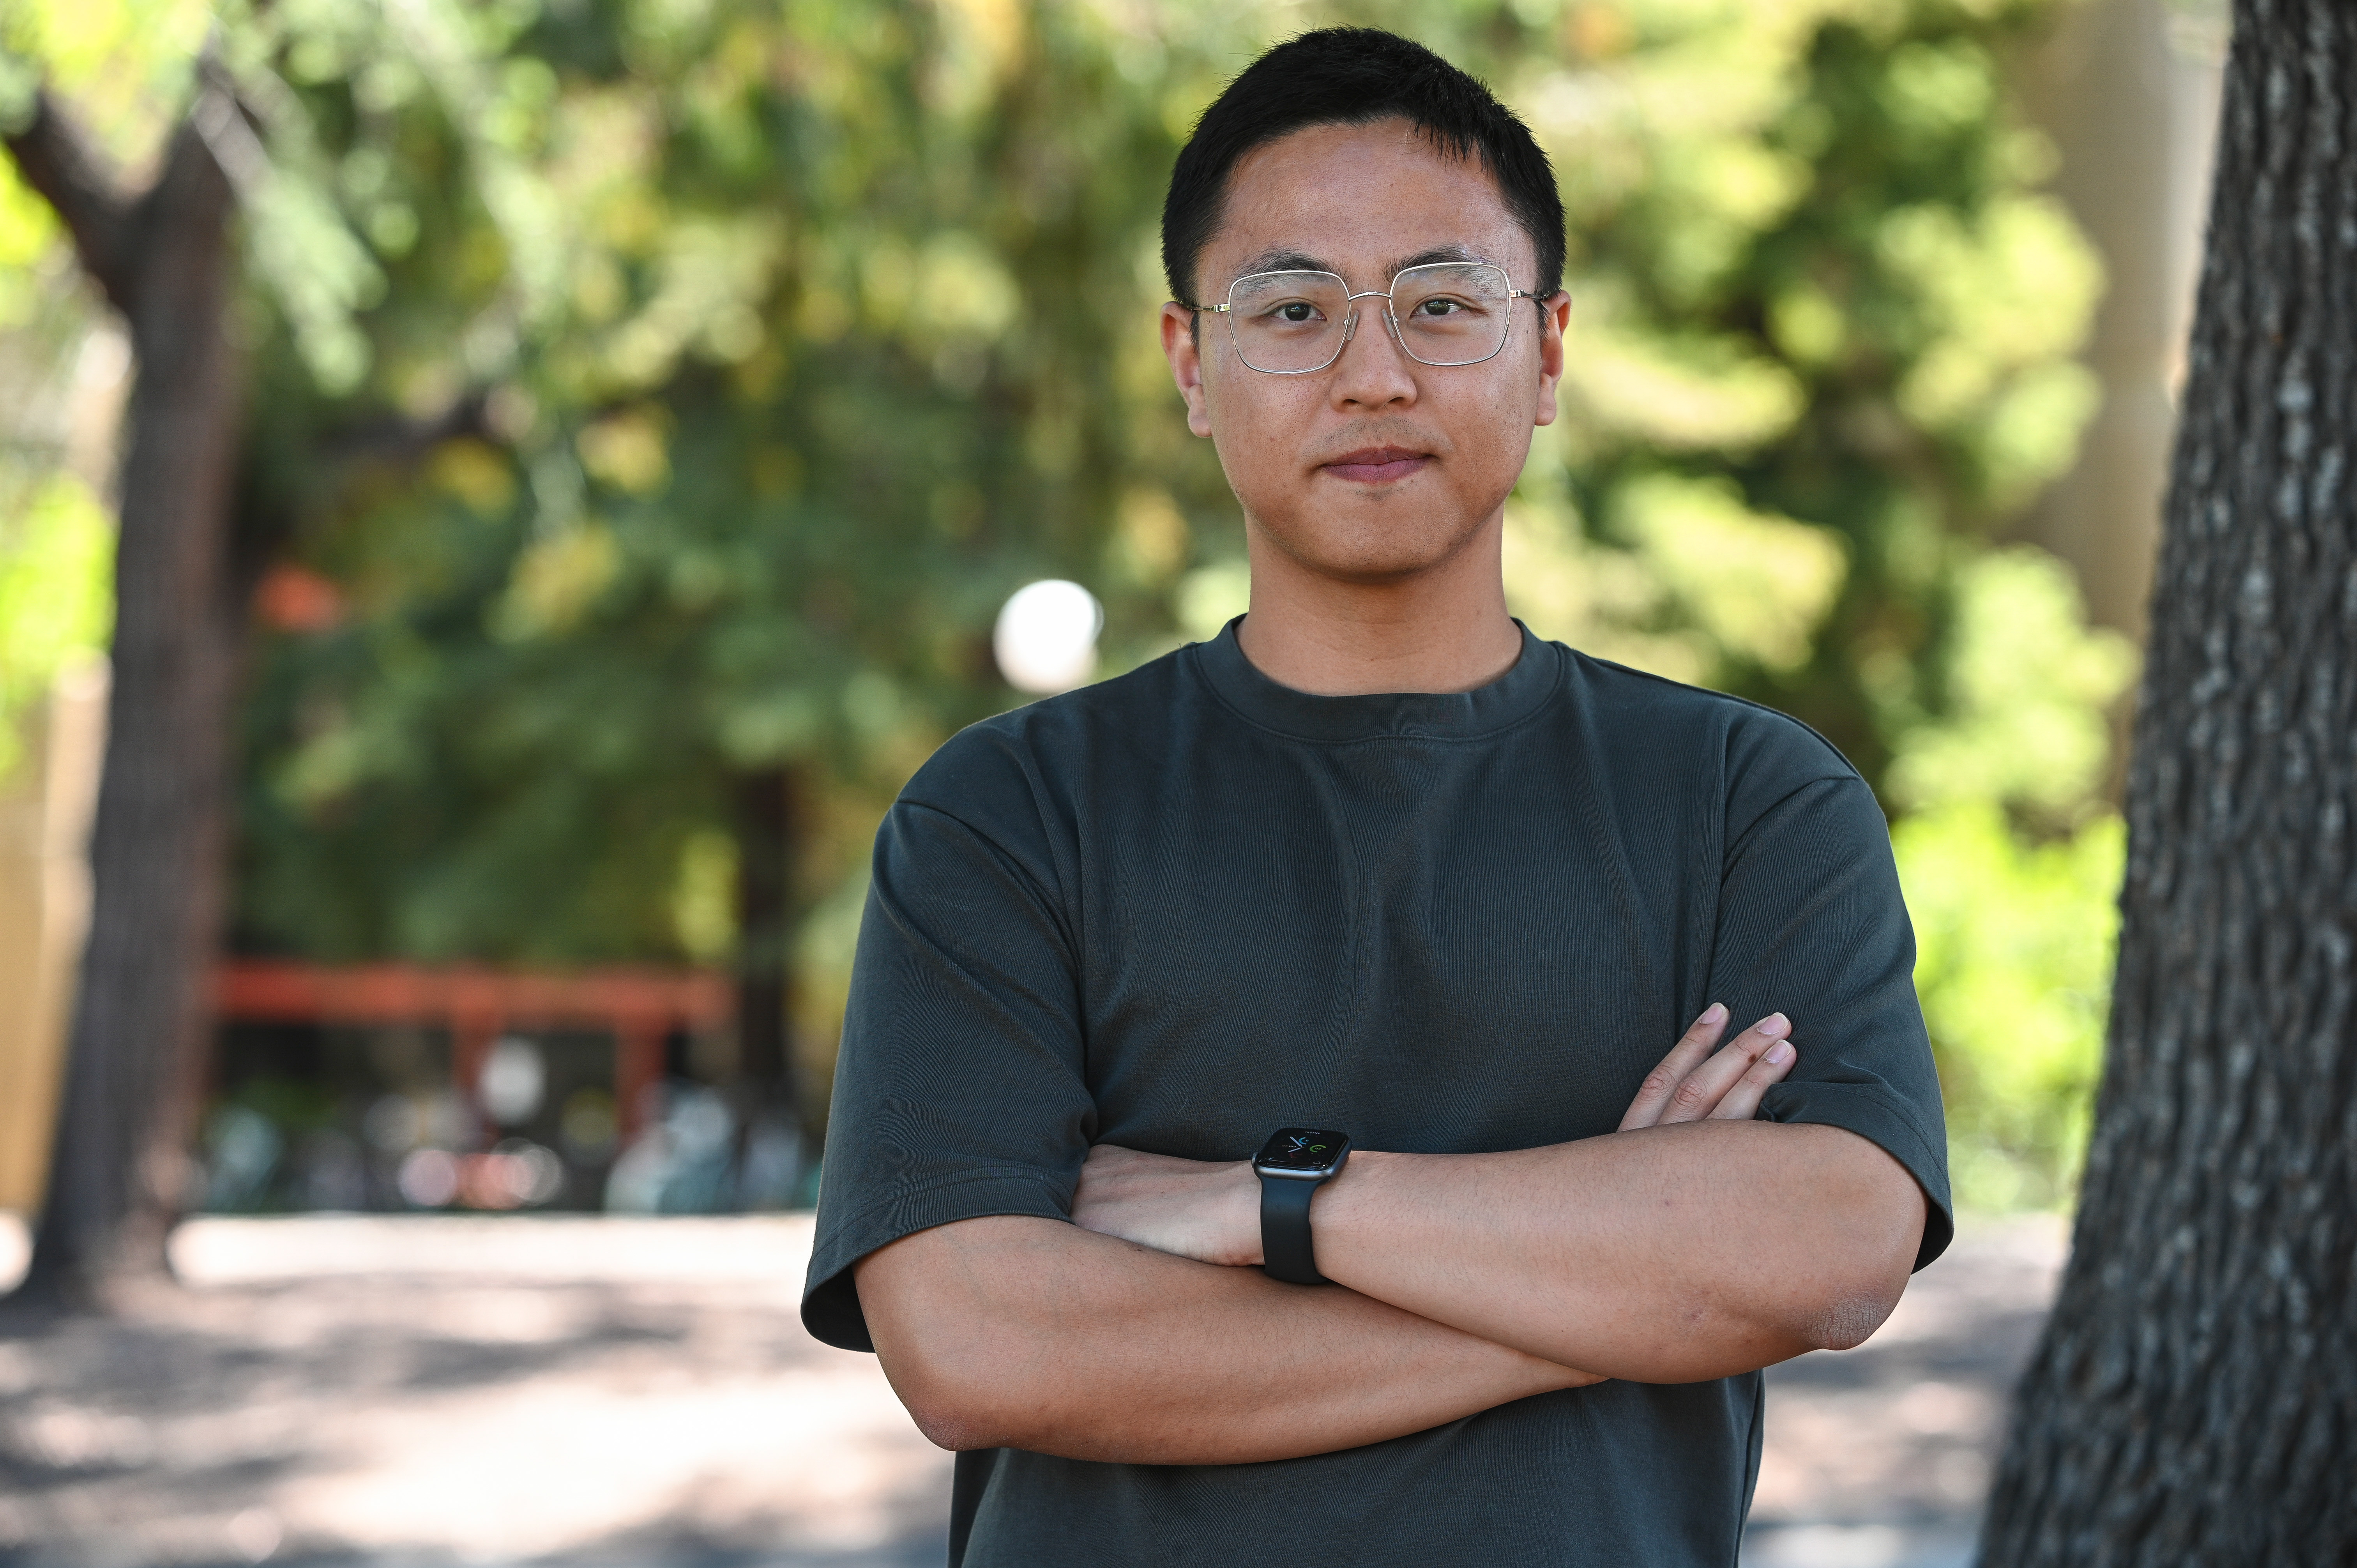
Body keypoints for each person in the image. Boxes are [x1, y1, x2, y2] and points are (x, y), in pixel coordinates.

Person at [801, 26, 1948, 1567]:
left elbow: (1830, 1248)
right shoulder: (1008, 816)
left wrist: (1270, 1204)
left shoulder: (1749, 802)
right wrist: (1626, 1282)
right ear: (1191, 364)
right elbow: (981, 1344)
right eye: (1293, 309)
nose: (1375, 372)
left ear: (1545, 354)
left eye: (1442, 304)